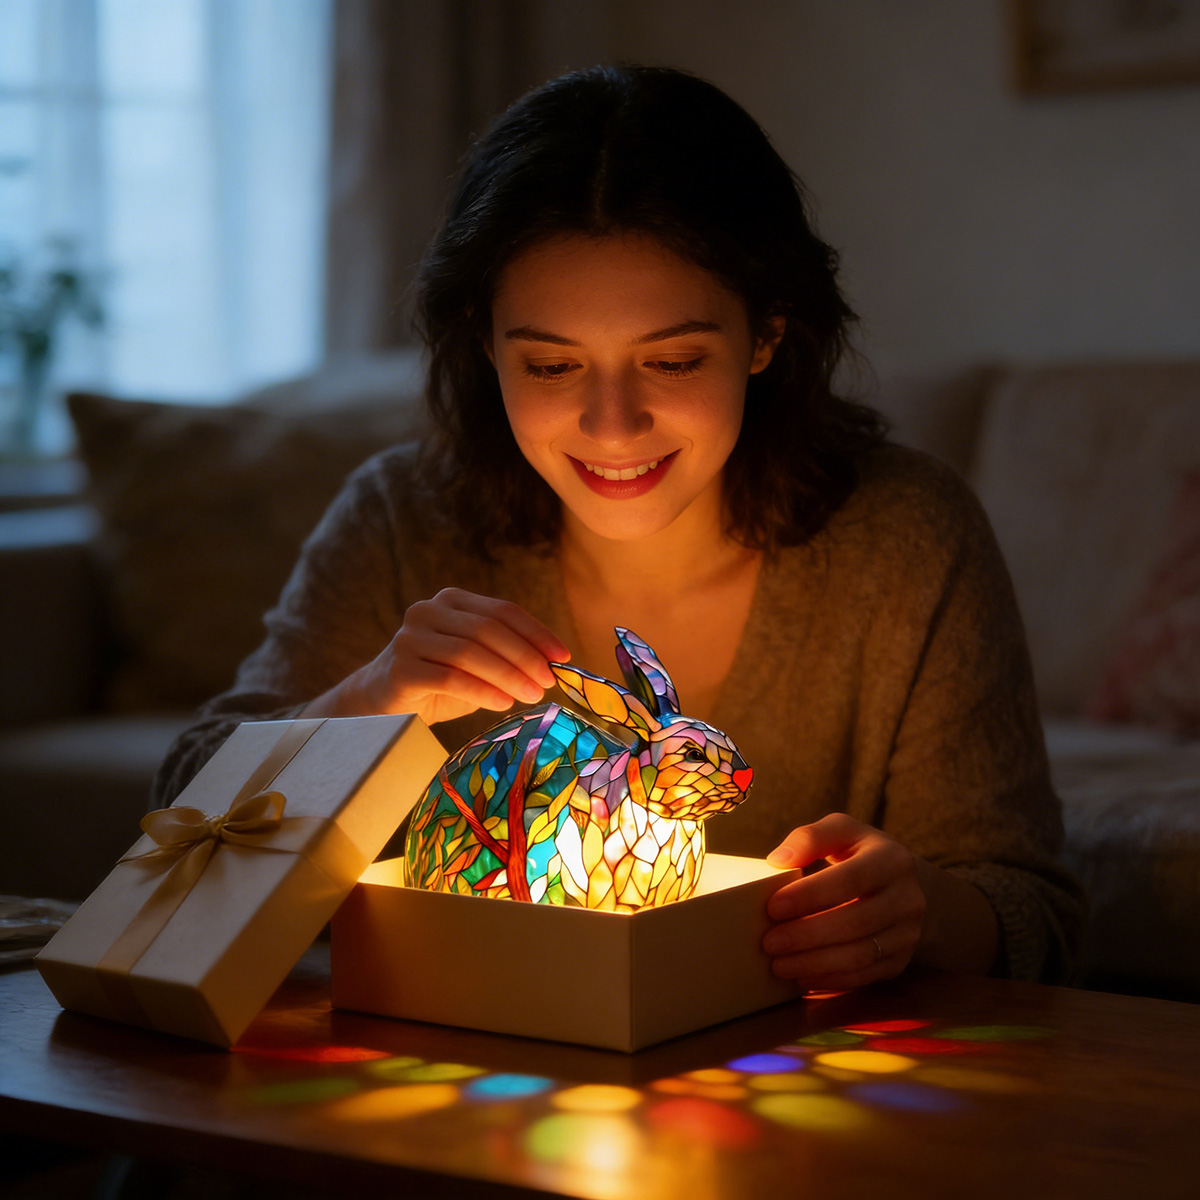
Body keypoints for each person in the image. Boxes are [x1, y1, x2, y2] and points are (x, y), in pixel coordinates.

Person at [153, 64, 1084, 991]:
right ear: (485, 343)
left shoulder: (903, 540)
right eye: (551, 367)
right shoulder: (402, 519)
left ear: (767, 332)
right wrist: (369, 701)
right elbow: (177, 831)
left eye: (673, 362)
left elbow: (1029, 912)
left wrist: (917, 911)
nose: (611, 426)